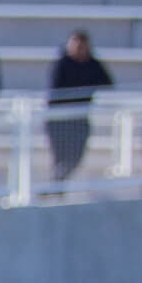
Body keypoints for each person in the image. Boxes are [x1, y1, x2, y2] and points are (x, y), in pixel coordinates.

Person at [46, 31, 112, 186]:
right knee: (60, 156)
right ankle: (56, 187)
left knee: (76, 156)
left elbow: (108, 83)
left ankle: (58, 184)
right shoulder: (62, 63)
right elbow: (55, 91)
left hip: (80, 118)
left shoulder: (93, 64)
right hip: (59, 120)